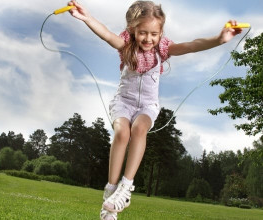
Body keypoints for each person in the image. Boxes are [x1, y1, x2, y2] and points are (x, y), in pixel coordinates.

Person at [67, 1, 242, 219]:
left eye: (154, 33)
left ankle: (126, 187)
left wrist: (219, 39)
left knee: (139, 129)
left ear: (161, 33)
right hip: (123, 101)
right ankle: (110, 192)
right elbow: (106, 34)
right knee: (122, 132)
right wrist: (87, 18)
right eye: (142, 33)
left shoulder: (163, 48)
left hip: (147, 105)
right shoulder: (125, 45)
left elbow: (191, 45)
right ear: (132, 29)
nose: (148, 39)